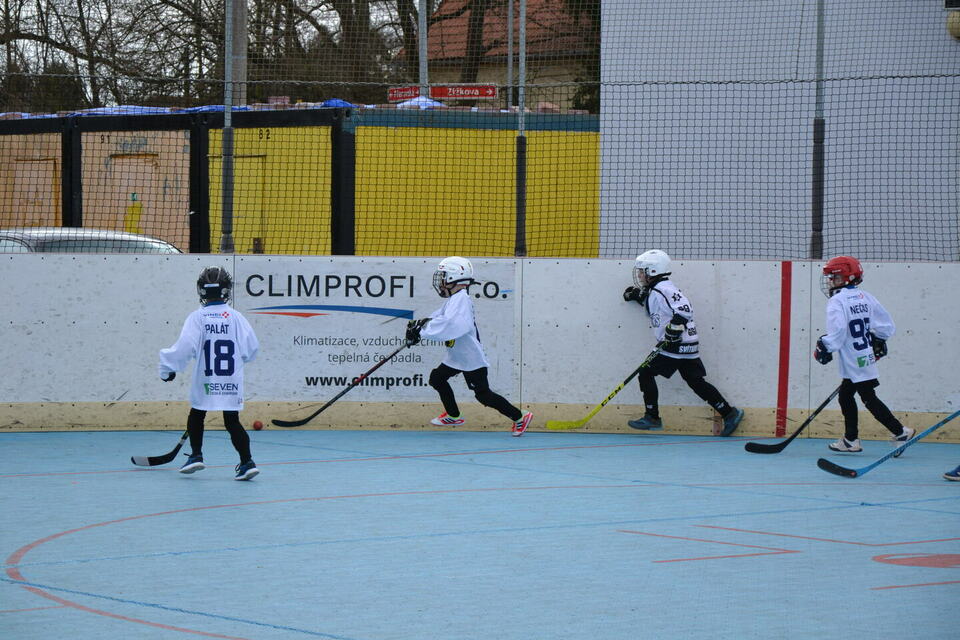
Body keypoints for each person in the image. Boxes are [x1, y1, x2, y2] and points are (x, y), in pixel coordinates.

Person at [405, 256, 533, 437]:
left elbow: (452, 325)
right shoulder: (454, 299)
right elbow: (439, 317)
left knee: (483, 395)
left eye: (443, 276)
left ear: (453, 277)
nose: (440, 281)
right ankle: (453, 415)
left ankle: (520, 417)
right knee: (437, 379)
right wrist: (420, 326)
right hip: (457, 356)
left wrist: (423, 332)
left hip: (470, 358)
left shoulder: (461, 300)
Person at [622, 250, 743, 436]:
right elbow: (660, 307)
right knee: (695, 381)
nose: (639, 275)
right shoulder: (659, 289)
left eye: (641, 271)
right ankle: (729, 413)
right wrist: (638, 297)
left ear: (652, 271)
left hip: (676, 345)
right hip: (686, 344)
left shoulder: (663, 289)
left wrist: (674, 328)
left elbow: (685, 309)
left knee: (645, 373)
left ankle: (652, 417)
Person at [159, 266, 261, 480]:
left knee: (197, 414)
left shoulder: (197, 317)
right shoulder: (236, 317)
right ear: (226, 290)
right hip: (231, 379)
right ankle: (247, 462)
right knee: (232, 421)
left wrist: (168, 369)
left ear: (202, 290)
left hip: (205, 377)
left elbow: (185, 347)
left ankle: (196, 455)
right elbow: (251, 349)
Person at [814, 255, 913, 454]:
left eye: (835, 277)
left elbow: (838, 333)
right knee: (846, 396)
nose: (830, 281)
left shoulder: (837, 301)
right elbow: (886, 326)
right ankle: (851, 439)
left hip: (853, 359)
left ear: (847, 278)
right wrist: (879, 340)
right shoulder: (866, 297)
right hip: (864, 355)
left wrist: (824, 346)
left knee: (868, 397)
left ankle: (900, 431)